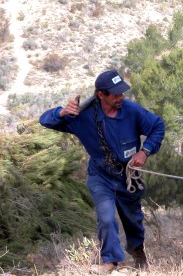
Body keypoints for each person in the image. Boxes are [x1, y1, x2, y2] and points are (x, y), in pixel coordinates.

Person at [39, 69, 165, 274]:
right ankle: (111, 261)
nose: (121, 97)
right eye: (115, 94)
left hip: (128, 176)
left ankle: (137, 250)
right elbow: (45, 120)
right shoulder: (80, 116)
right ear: (101, 95)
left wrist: (145, 151)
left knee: (133, 220)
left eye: (122, 93)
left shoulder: (131, 111)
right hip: (101, 176)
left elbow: (157, 126)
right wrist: (61, 112)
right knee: (106, 218)